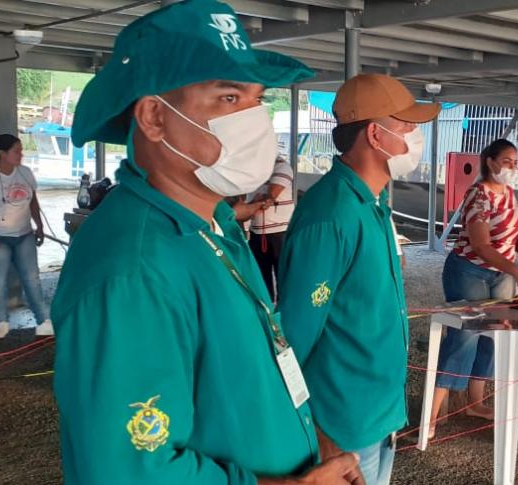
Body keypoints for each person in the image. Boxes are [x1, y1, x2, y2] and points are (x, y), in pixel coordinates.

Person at [51, 1, 361, 483]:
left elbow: (256, 369)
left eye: (259, 99)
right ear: (154, 117)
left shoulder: (216, 222)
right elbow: (130, 470)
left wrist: (315, 440)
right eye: (229, 99)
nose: (256, 120)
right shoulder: (133, 270)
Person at [277, 73, 440, 485]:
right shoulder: (331, 216)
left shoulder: (371, 204)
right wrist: (319, 434)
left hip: (376, 416)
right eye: (407, 126)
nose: (415, 137)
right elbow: (292, 339)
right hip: (341, 429)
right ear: (375, 134)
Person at [427, 138, 518, 438]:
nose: (513, 167)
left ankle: (475, 403)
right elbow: (482, 245)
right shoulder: (477, 195)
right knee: (465, 337)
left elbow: (507, 233)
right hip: (469, 272)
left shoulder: (509, 193)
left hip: (502, 275)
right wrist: (516, 271)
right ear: (490, 162)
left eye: (516, 161)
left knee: (493, 337)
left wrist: (517, 252)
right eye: (508, 161)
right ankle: (431, 416)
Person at [0, 134, 52, 339]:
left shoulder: (25, 173)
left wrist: (39, 226)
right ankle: (1, 321)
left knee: (32, 278)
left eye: (21, 150)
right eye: (17, 150)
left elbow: (33, 202)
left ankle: (43, 320)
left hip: (24, 235)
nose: (21, 154)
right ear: (2, 153)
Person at [246, 157, 295, 299]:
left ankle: (285, 313)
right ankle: (267, 312)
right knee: (260, 277)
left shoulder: (281, 167)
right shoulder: (255, 170)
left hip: (278, 234)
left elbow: (271, 196)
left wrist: (255, 203)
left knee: (284, 276)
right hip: (257, 232)